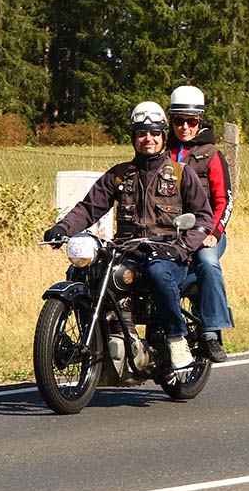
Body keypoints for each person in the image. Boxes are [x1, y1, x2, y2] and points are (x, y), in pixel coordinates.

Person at [43, 101, 214, 370]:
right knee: (81, 272)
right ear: (133, 137)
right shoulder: (120, 175)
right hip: (128, 253)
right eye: (142, 133)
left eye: (154, 133)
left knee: (158, 272)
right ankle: (97, 339)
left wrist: (180, 248)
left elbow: (204, 219)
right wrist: (62, 228)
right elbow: (89, 208)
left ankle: (176, 338)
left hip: (169, 256)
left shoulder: (182, 174)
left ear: (163, 136)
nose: (148, 139)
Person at [166, 84, 234, 363]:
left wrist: (214, 233)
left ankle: (212, 330)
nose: (184, 127)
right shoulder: (160, 149)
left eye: (191, 121)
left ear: (199, 121)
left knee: (207, 262)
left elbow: (224, 200)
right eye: (179, 121)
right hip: (170, 231)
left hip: (206, 230)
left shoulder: (212, 153)